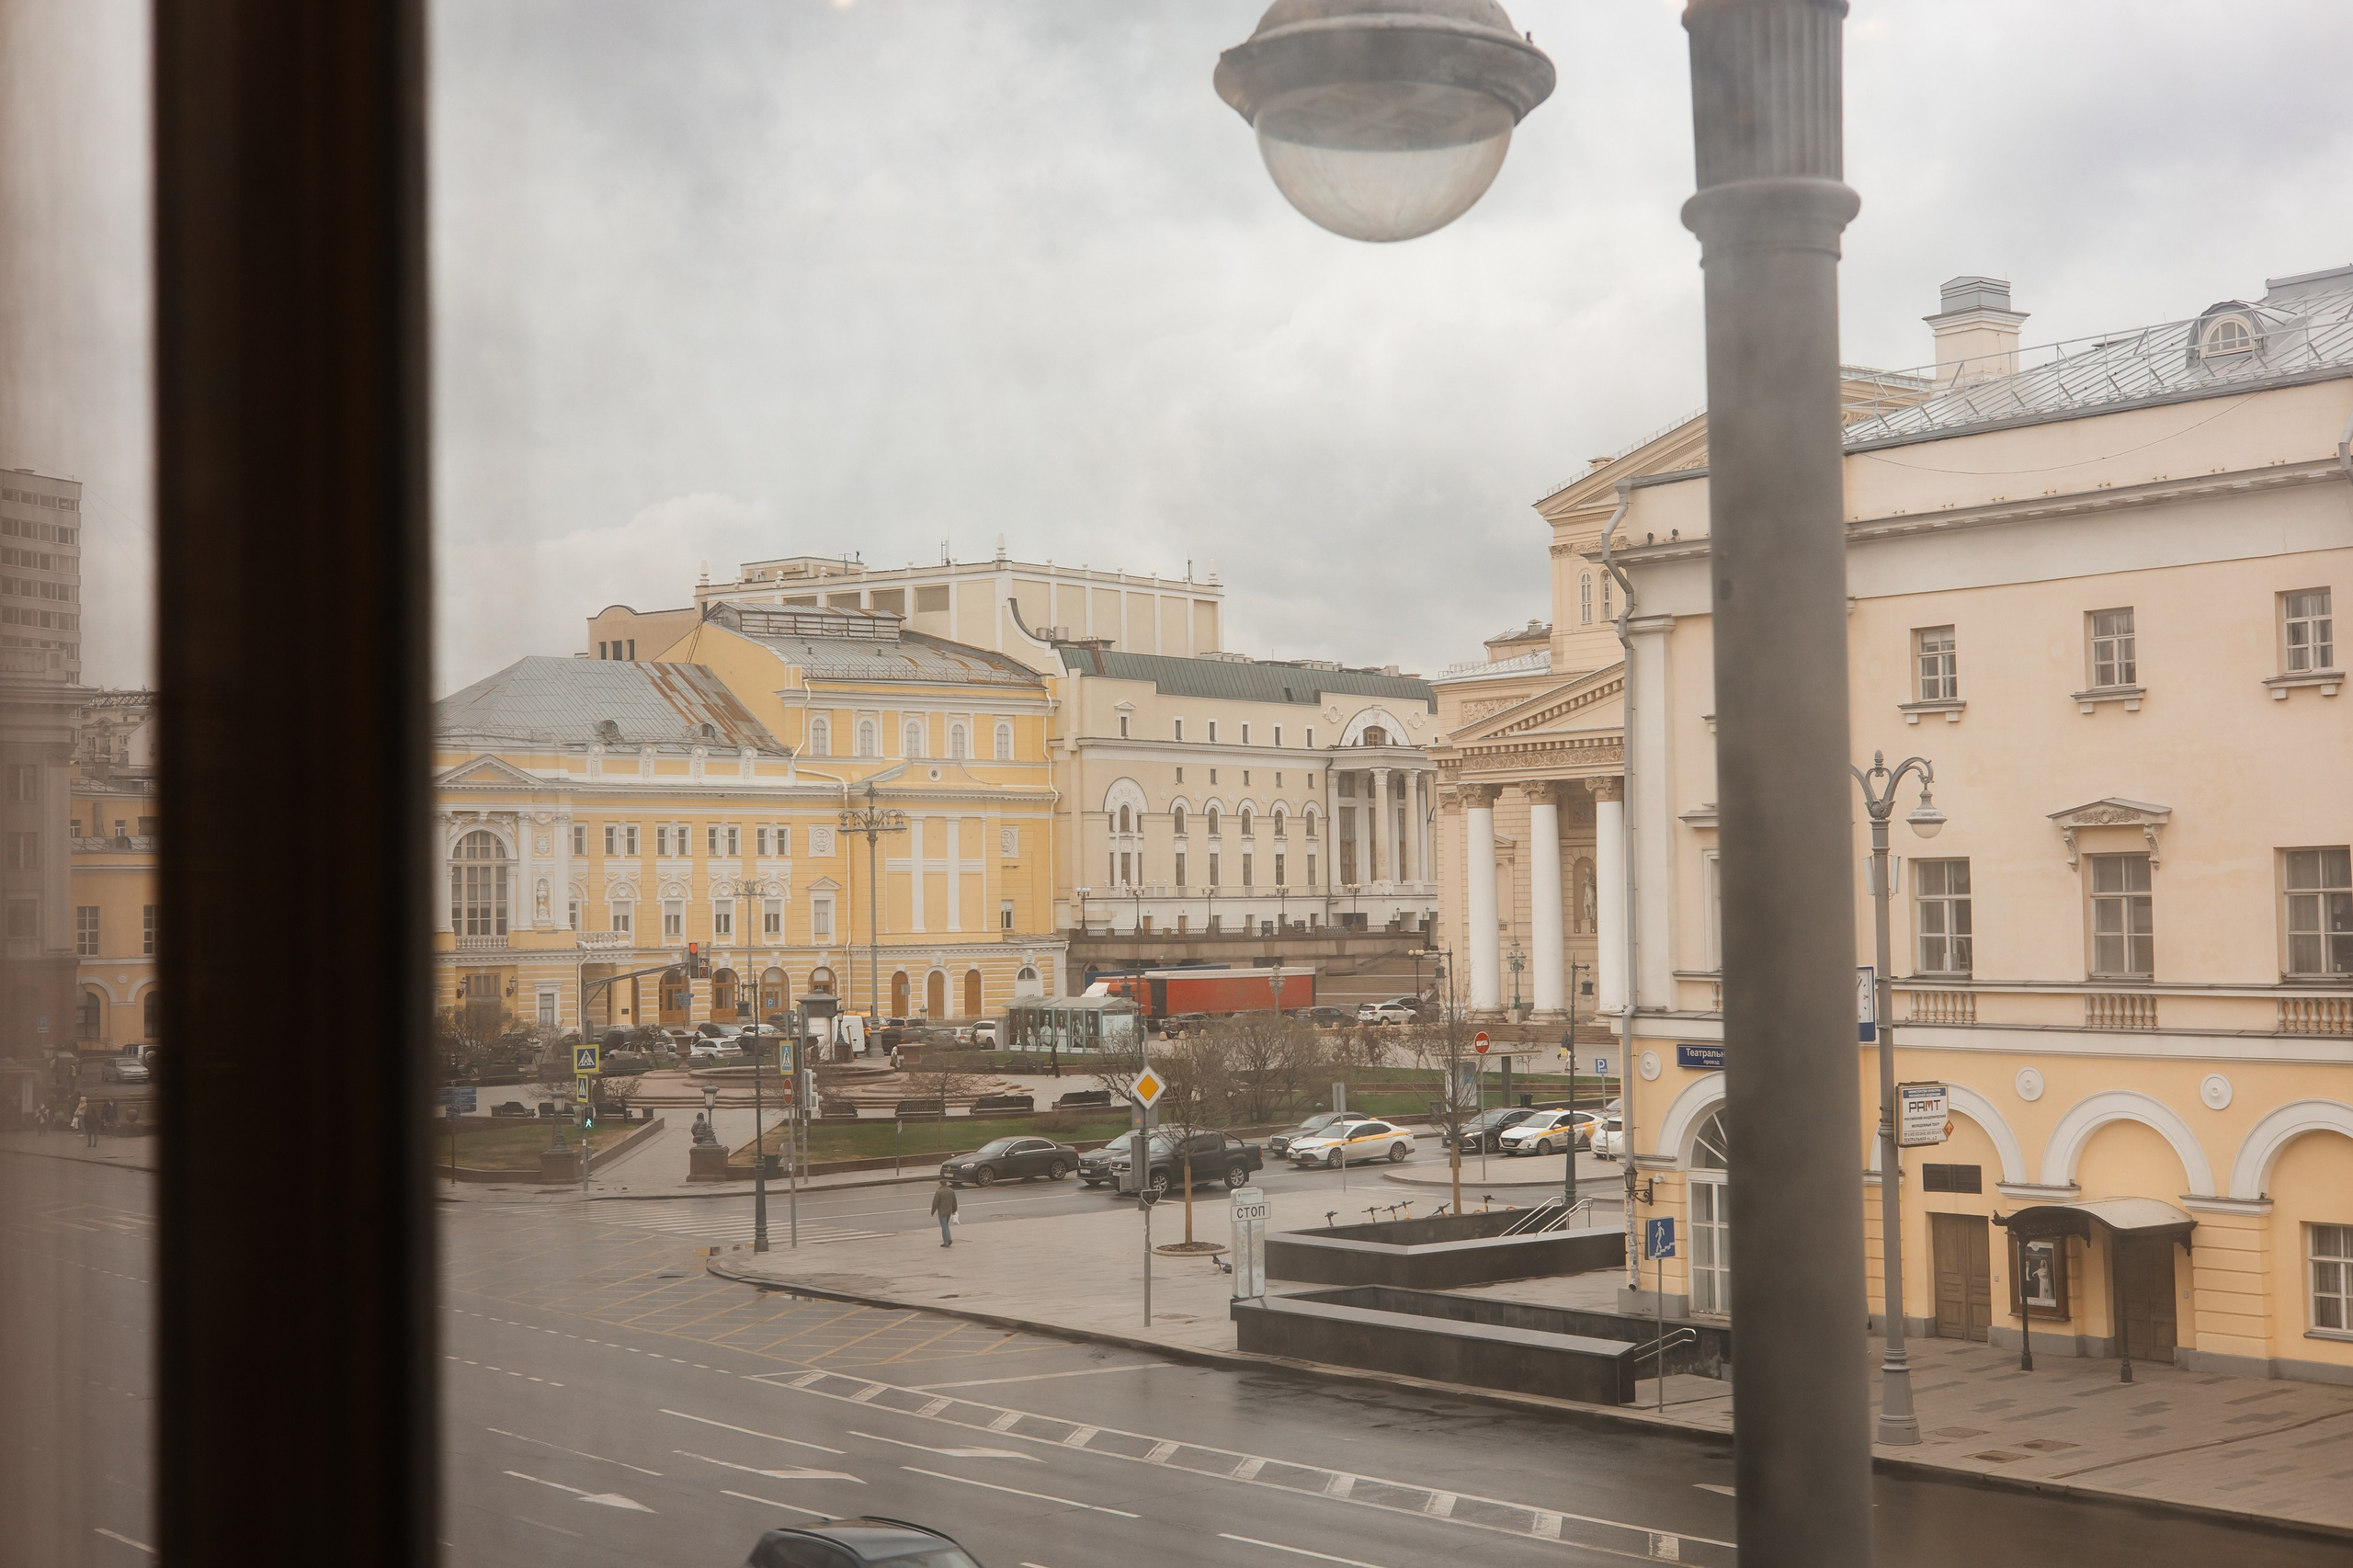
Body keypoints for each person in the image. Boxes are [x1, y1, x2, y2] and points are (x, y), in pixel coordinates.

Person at [930, 1177, 959, 1247]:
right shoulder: (951, 1191)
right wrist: (954, 1210)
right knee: (946, 1225)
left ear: (940, 1184)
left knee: (944, 1226)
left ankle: (946, 1241)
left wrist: (932, 1211)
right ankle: (948, 1238)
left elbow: (935, 1203)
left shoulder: (939, 1192)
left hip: (942, 1212)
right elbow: (954, 1202)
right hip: (949, 1211)